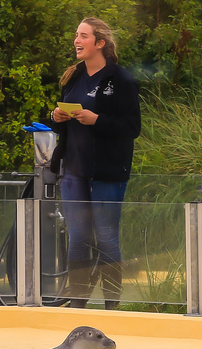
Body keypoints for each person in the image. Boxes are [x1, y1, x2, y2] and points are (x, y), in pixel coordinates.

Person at [49, 18, 140, 309]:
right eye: (76, 34)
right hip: (74, 171)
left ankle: (112, 306)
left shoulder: (121, 80)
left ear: (99, 43)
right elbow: (60, 119)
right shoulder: (73, 76)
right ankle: (78, 304)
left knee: (106, 239)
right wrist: (56, 116)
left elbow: (132, 127)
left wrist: (97, 120)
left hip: (107, 174)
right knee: (77, 238)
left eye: (83, 35)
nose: (77, 40)